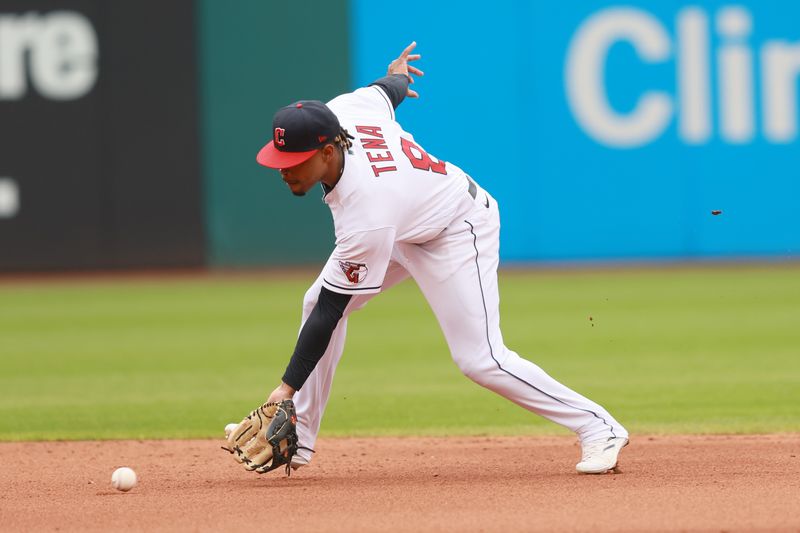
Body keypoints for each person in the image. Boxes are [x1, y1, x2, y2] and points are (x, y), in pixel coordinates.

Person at [233, 42, 628, 474]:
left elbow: (333, 308)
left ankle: (598, 427)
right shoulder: (347, 111)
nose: (283, 170)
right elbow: (385, 91)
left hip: (456, 228)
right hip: (407, 223)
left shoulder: (366, 211)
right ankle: (301, 439)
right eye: (280, 159)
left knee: (481, 359)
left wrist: (285, 389)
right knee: (314, 302)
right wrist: (399, 74)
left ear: (328, 152)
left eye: (294, 161)